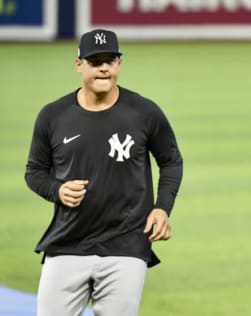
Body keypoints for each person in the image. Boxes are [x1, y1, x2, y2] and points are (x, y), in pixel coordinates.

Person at [25, 29, 183, 316]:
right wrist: (57, 190)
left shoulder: (144, 113)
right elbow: (34, 171)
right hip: (66, 243)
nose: (103, 68)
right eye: (95, 60)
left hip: (126, 245)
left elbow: (171, 160)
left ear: (119, 64)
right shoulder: (53, 116)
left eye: (110, 60)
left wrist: (162, 208)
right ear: (79, 65)